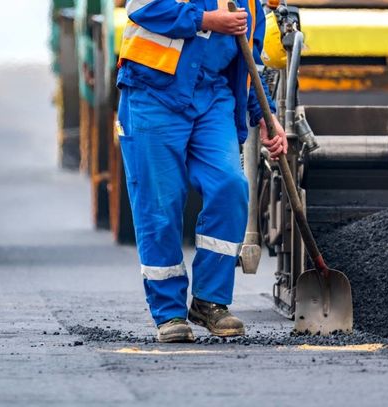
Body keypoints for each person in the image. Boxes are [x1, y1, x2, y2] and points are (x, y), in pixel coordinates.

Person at [116, 0, 287, 342]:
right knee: (160, 204)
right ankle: (169, 313)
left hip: (212, 98)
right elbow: (141, 7)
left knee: (230, 185)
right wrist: (206, 20)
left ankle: (210, 301)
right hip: (153, 93)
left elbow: (247, 57)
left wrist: (264, 117)